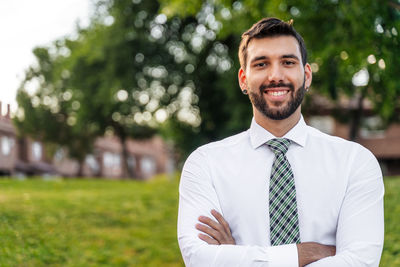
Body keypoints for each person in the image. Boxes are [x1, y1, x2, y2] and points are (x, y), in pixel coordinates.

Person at [177, 17, 384, 267]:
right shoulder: (205, 164)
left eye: (288, 62)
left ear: (306, 75)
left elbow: (360, 262)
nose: (276, 76)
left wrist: (239, 257)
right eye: (262, 64)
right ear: (243, 79)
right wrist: (299, 255)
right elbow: (199, 258)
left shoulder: (355, 162)